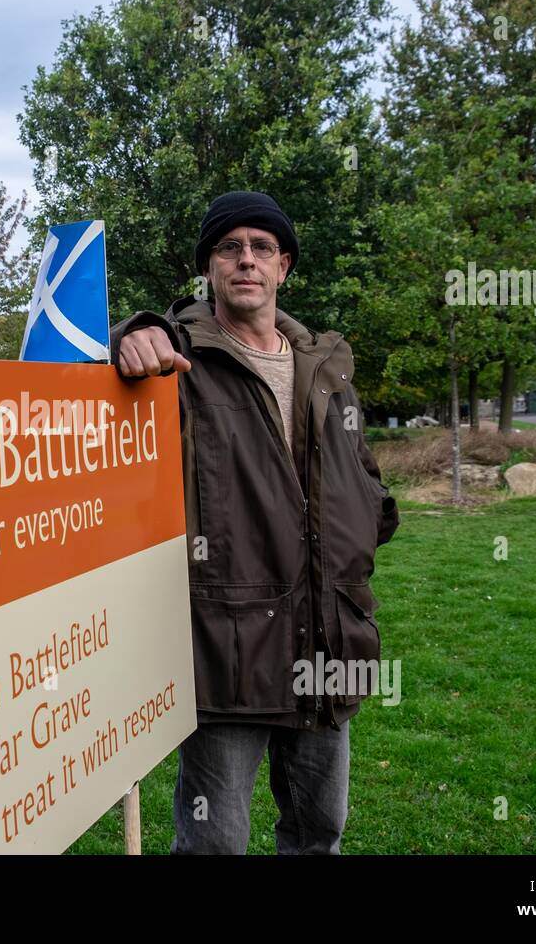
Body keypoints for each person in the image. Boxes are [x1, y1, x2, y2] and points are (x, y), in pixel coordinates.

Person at [111, 190, 399, 854]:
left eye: (261, 248)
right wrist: (130, 334)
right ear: (209, 268)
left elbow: (363, 472)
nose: (246, 260)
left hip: (331, 640)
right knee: (216, 844)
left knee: (317, 832)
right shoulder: (176, 365)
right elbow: (95, 382)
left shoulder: (328, 369)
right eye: (228, 247)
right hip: (229, 652)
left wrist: (368, 525)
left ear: (284, 267)